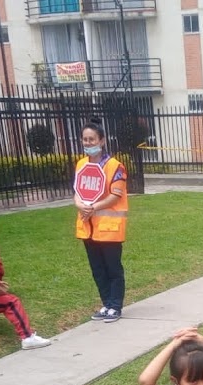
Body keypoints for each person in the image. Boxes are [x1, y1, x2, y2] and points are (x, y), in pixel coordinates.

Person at [74, 119, 128, 323]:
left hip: (109, 228)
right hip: (88, 227)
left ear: (102, 141)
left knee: (112, 268)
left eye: (92, 139)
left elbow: (115, 195)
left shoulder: (115, 166)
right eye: (85, 139)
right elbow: (77, 191)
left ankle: (116, 306)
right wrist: (80, 204)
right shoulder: (81, 164)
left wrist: (93, 207)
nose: (88, 143)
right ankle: (106, 303)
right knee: (97, 269)